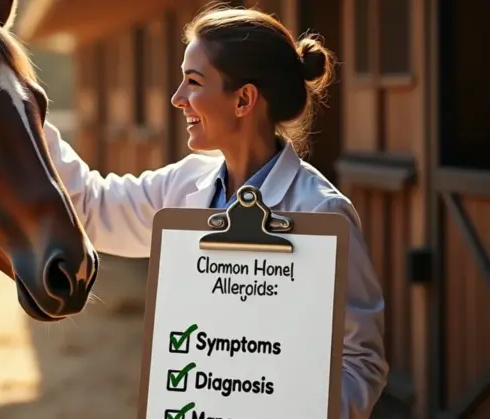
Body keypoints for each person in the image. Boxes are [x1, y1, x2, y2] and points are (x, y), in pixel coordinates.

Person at [43, 6, 387, 418]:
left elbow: (360, 362)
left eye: (193, 81)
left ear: (243, 99)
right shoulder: (184, 184)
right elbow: (92, 206)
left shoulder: (321, 212)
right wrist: (20, 106)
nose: (177, 98)